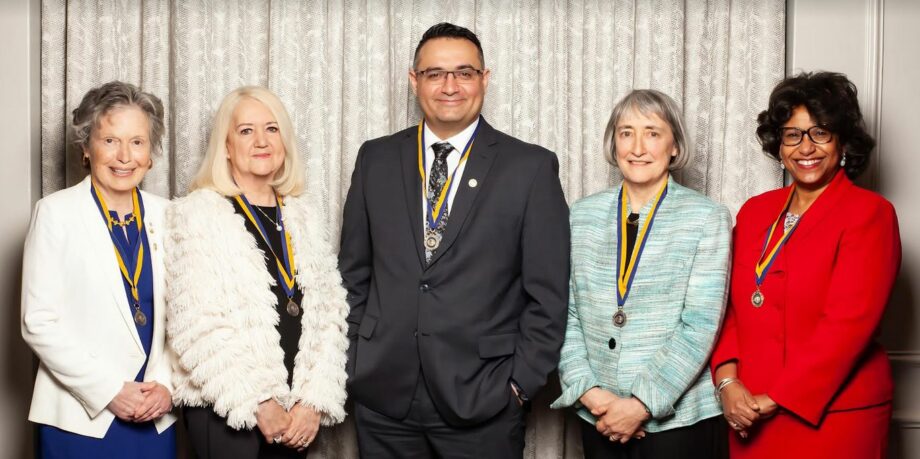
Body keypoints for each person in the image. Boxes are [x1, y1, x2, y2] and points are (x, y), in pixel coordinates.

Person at [338, 22, 570, 458]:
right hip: (384, 399)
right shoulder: (376, 158)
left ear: (485, 79)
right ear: (414, 80)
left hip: (484, 401)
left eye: (464, 73)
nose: (450, 86)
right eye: (435, 74)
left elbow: (549, 295)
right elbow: (354, 274)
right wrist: (353, 367)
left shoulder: (531, 168)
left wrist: (518, 386)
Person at [711, 71, 901, 458]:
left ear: (844, 140)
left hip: (835, 416)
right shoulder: (754, 212)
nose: (805, 147)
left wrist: (775, 399)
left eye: (820, 132)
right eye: (792, 134)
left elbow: (848, 326)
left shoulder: (870, 214)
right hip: (748, 414)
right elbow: (725, 304)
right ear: (778, 144)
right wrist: (727, 383)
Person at [165, 86, 349, 458]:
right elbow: (194, 325)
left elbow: (331, 316)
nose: (261, 141)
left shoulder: (303, 215)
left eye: (272, 129)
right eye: (246, 131)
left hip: (296, 415)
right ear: (227, 146)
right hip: (228, 409)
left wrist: (313, 402)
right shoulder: (198, 213)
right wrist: (258, 402)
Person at [551, 89, 731, 458]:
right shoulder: (581, 215)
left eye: (652, 132)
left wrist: (641, 404)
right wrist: (587, 390)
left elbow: (699, 325)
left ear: (675, 146)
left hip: (677, 422)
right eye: (626, 132)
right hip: (597, 413)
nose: (637, 147)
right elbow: (564, 311)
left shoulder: (706, 217)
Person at [21, 81, 177, 458]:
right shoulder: (55, 213)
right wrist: (109, 390)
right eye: (110, 141)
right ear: (86, 148)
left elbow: (188, 317)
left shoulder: (170, 216)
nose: (124, 156)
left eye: (137, 142)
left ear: (151, 154)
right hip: (80, 417)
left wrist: (168, 386)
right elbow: (37, 321)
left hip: (155, 415)